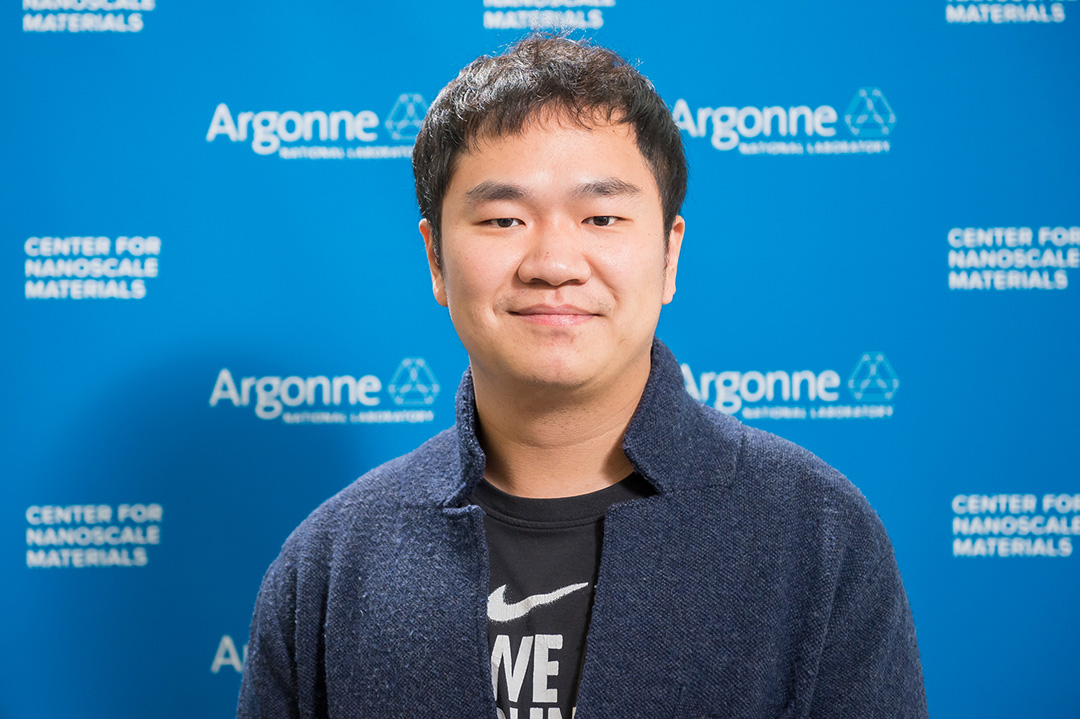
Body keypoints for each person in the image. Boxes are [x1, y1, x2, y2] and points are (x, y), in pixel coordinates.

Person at [237, 35, 927, 719]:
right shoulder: (329, 564)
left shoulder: (820, 537)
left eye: (601, 216)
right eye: (503, 218)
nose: (554, 261)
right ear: (436, 260)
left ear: (668, 253)